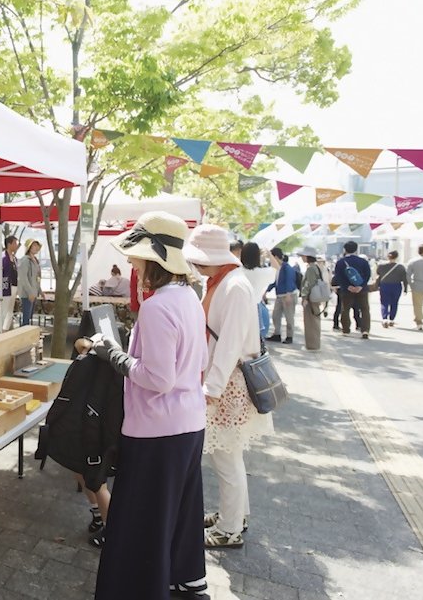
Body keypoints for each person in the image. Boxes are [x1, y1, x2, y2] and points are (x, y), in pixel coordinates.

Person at [79, 211, 209, 600]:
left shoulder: (156, 307)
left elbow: (157, 378)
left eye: (136, 257)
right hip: (188, 425)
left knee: (141, 522)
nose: (132, 263)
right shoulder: (189, 298)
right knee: (177, 516)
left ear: (153, 261)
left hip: (156, 432)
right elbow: (192, 365)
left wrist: (112, 354)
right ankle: (179, 581)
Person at [185, 225, 273, 552]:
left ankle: (230, 527)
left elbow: (230, 345)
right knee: (230, 456)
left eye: (199, 261)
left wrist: (212, 389)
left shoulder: (233, 286)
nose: (195, 267)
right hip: (226, 381)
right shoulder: (224, 282)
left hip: (227, 383)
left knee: (225, 458)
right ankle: (235, 515)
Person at [333, 241, 372, 339]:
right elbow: (367, 274)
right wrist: (361, 286)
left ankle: (346, 329)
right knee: (364, 309)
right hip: (361, 290)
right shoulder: (363, 261)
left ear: (345, 249)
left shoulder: (341, 262)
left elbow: (338, 276)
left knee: (345, 309)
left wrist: (347, 286)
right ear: (356, 249)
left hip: (347, 290)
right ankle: (365, 330)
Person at [240, 242, 276, 340]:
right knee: (255, 341)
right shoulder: (262, 273)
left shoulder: (237, 272)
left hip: (238, 308)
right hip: (255, 309)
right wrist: (269, 254)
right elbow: (276, 268)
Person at [265, 247, 297, 344]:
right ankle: (277, 334)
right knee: (276, 315)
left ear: (275, 256)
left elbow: (289, 281)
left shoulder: (287, 268)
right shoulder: (276, 268)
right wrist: (266, 290)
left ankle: (289, 336)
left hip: (288, 295)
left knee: (289, 316)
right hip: (279, 295)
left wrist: (288, 294)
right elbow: (275, 282)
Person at [298, 247, 323, 350]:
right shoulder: (315, 267)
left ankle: (312, 345)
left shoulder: (311, 268)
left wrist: (305, 298)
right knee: (313, 321)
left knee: (310, 322)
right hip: (314, 298)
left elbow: (309, 284)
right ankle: (313, 344)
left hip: (311, 298)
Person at [0, 236, 19, 332]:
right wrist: (0, 286)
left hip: (14, 286)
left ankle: (5, 329)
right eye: (15, 243)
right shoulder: (2, 257)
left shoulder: (14, 258)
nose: (16, 245)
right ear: (9, 244)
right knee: (2, 310)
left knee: (10, 311)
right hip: (5, 287)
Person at [375, 251, 407, 328]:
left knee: (384, 302)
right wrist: (405, 288)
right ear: (396, 257)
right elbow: (404, 279)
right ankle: (391, 319)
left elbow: (378, 274)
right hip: (396, 286)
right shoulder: (400, 267)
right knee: (394, 303)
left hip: (384, 285)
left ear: (388, 256)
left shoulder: (381, 266)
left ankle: (385, 318)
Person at [18, 240, 42, 326]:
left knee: (30, 316)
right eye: (34, 246)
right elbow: (23, 278)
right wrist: (30, 292)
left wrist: (40, 290)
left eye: (37, 246)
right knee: (26, 317)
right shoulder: (25, 260)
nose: (36, 248)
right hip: (27, 293)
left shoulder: (35, 260)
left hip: (34, 292)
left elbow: (37, 278)